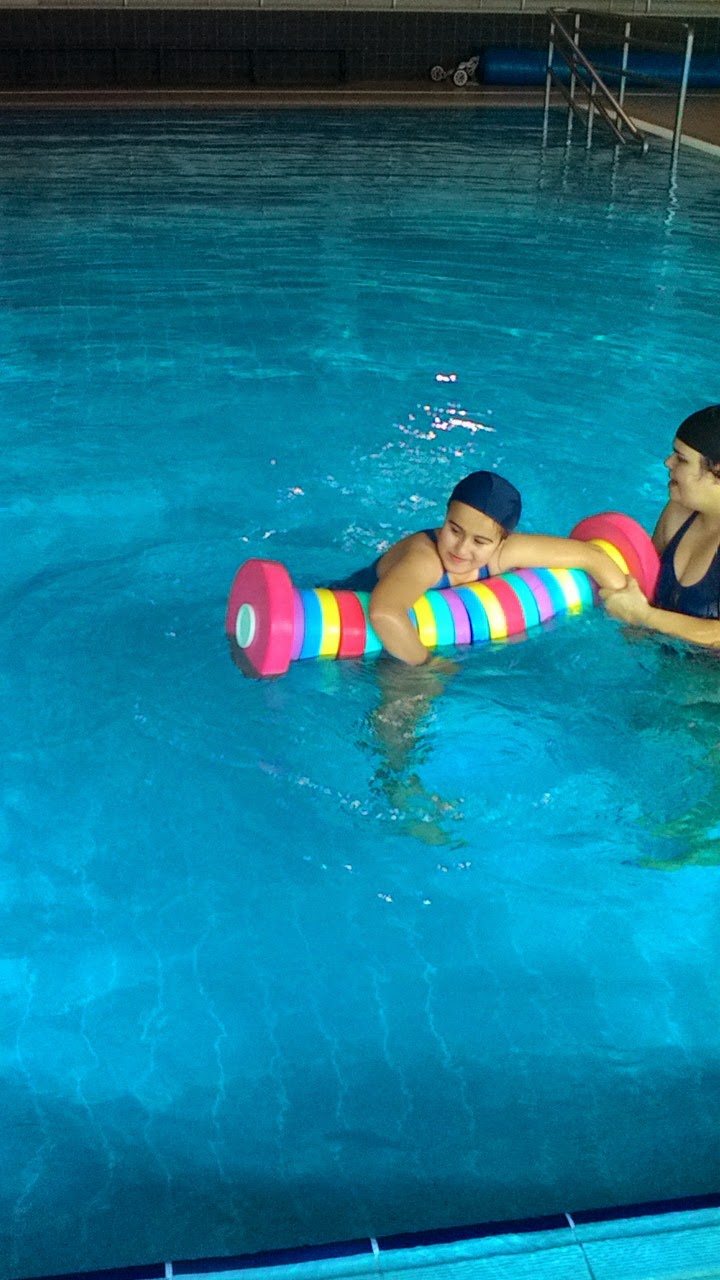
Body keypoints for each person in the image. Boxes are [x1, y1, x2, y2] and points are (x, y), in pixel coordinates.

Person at [335, 469, 627, 666]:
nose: (461, 549)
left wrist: (627, 606)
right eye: (454, 530)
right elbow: (385, 613)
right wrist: (427, 666)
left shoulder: (505, 552)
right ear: (445, 515)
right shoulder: (425, 559)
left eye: (480, 541)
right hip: (350, 632)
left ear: (502, 541)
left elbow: (592, 556)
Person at [601, 406, 720, 649]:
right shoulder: (678, 513)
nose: (668, 462)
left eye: (681, 459)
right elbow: (645, 579)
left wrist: (644, 616)